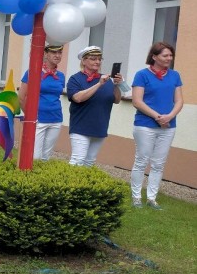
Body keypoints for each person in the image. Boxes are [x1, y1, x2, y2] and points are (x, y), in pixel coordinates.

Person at [129, 42, 184, 210]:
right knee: (142, 160)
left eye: (170, 55)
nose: (169, 58)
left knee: (159, 163)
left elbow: (179, 100)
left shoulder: (174, 75)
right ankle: (136, 196)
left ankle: (152, 198)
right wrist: (157, 116)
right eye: (165, 55)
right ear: (154, 57)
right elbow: (137, 101)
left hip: (168, 126)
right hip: (145, 125)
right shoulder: (142, 75)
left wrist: (170, 116)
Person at [67, 45, 123, 166]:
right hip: (80, 127)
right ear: (83, 60)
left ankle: (84, 185)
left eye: (99, 59)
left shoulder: (106, 79)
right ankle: (71, 185)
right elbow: (78, 98)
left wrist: (117, 85)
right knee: (77, 161)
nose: (97, 62)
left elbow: (117, 100)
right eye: (93, 59)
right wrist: (98, 84)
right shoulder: (75, 79)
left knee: (90, 162)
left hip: (100, 127)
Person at [18, 42, 65, 160]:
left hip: (56, 118)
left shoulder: (61, 76)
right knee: (35, 156)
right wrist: (30, 115)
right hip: (38, 119)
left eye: (60, 52)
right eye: (54, 52)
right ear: (46, 54)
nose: (57, 55)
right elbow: (21, 97)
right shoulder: (32, 71)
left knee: (46, 156)